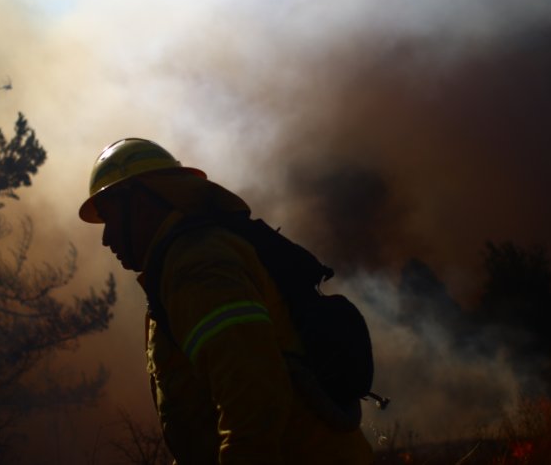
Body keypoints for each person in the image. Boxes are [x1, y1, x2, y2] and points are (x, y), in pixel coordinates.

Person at [79, 138, 374, 464]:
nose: (106, 238)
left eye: (110, 217)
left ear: (141, 203)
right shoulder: (183, 265)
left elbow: (253, 396)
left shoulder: (199, 267)